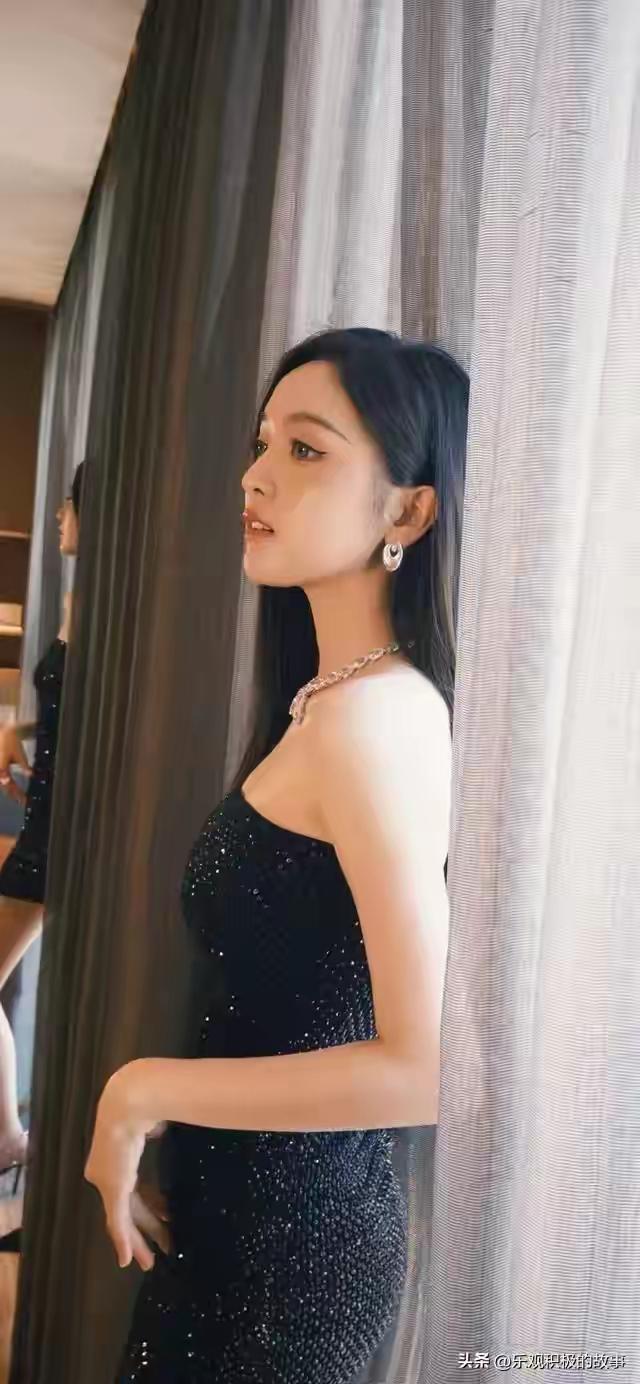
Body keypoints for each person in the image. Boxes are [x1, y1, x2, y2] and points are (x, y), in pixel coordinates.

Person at [85, 329, 468, 1383]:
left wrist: (144, 1089)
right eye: (262, 444)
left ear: (408, 512)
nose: (254, 475)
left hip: (289, 1267)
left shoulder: (375, 720)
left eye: (305, 449)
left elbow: (425, 1067)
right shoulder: (330, 703)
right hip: (245, 1230)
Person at [0, 461, 84, 1175]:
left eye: (68, 504)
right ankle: (9, 1136)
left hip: (59, 835)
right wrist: (18, 731)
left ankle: (10, 1139)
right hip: (42, 824)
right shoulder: (80, 597)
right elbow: (60, 709)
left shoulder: (106, 609)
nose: (59, 516)